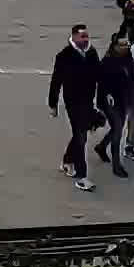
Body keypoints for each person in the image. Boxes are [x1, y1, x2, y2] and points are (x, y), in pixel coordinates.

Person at [48, 24, 104, 192]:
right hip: (73, 102)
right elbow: (56, 81)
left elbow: (98, 76)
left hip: (88, 101)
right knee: (81, 137)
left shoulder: (92, 53)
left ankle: (67, 159)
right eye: (82, 36)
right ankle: (82, 176)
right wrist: (53, 103)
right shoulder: (64, 56)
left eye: (87, 36)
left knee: (81, 133)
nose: (86, 39)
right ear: (73, 36)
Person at [94, 33, 133, 179]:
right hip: (110, 102)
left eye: (126, 44)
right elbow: (101, 81)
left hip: (123, 100)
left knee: (118, 128)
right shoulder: (107, 62)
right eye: (122, 45)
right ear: (115, 46)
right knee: (117, 131)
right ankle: (116, 165)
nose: (125, 47)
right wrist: (107, 95)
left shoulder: (128, 58)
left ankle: (102, 146)